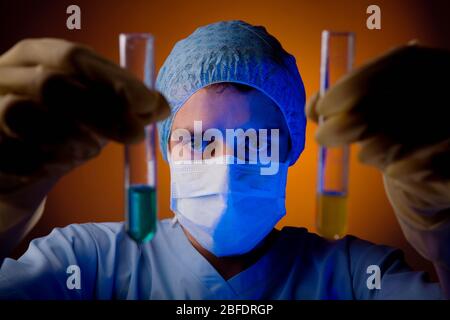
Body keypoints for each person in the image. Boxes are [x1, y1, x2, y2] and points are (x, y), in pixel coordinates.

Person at [0, 20, 449, 299]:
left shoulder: (356, 277)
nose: (227, 165)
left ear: (291, 150)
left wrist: (445, 235)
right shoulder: (88, 262)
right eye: (198, 141)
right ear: (165, 148)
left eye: (256, 142)